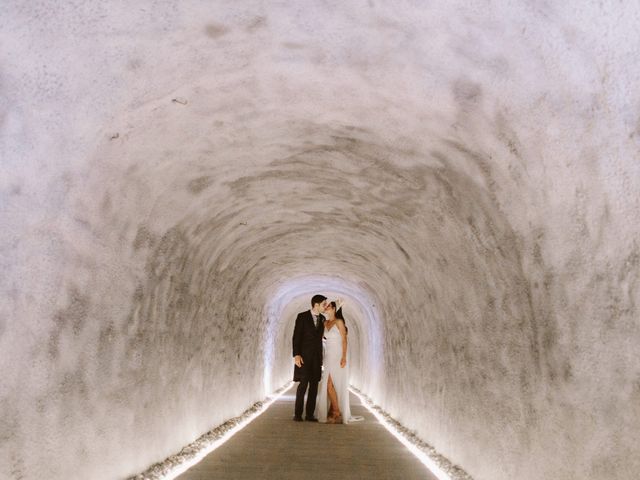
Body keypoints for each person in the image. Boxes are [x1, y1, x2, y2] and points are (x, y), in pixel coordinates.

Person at [316, 300, 363, 424]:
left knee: (332, 384)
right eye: (326, 306)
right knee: (328, 385)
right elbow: (320, 338)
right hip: (328, 356)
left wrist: (343, 357)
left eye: (329, 306)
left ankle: (336, 412)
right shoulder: (325, 322)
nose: (326, 308)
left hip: (338, 355)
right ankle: (335, 410)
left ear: (334, 309)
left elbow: (344, 340)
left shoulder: (339, 322)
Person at [292, 294, 328, 421]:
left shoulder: (323, 319)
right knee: (303, 385)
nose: (325, 306)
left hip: (317, 358)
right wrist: (296, 355)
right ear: (316, 304)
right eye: (324, 304)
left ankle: (309, 414)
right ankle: (297, 414)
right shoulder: (302, 317)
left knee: (314, 386)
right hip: (303, 357)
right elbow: (296, 337)